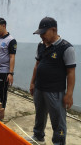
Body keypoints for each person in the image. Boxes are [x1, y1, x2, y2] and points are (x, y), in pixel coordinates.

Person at [28, 17, 76, 145]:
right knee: (39, 114)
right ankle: (38, 136)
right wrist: (32, 83)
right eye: (40, 34)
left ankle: (59, 142)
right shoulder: (41, 46)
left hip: (55, 91)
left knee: (58, 121)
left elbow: (71, 73)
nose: (41, 36)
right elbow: (37, 65)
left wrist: (69, 94)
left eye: (43, 33)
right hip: (39, 88)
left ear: (53, 30)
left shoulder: (66, 48)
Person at [0, 18, 17, 109]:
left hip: (4, 72)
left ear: (4, 26)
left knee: (2, 93)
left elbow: (12, 57)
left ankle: (0, 111)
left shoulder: (11, 40)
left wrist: (10, 73)